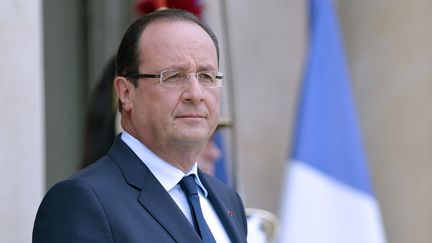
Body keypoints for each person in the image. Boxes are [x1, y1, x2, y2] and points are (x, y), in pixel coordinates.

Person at [33, 9, 247, 243]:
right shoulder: (80, 202)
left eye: (206, 76)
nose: (196, 94)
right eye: (174, 76)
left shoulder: (228, 200)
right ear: (125, 93)